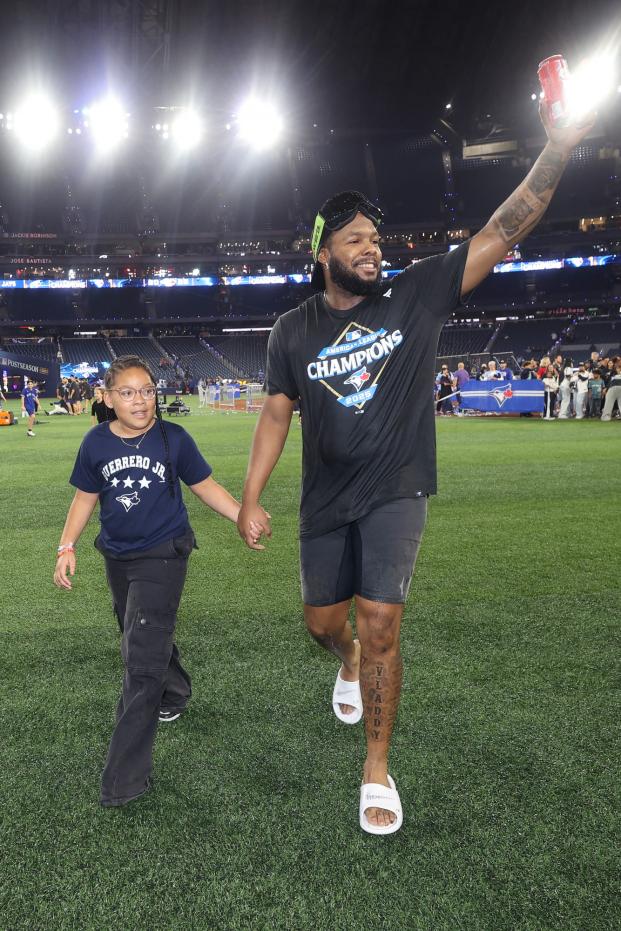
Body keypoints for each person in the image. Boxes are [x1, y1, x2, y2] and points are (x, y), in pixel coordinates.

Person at [237, 99, 593, 836]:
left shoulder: (416, 292)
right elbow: (276, 413)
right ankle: (346, 658)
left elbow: (506, 224)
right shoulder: (291, 330)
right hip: (325, 497)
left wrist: (555, 147)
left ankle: (375, 765)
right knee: (322, 623)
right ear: (322, 253)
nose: (372, 249)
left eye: (375, 238)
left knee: (383, 622)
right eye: (355, 241)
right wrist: (248, 496)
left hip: (398, 487)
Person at [53, 355, 251, 808]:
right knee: (138, 628)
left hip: (164, 554)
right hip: (117, 557)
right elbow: (85, 498)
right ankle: (176, 690)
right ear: (107, 397)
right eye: (127, 392)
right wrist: (67, 547)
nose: (140, 400)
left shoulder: (173, 438)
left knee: (140, 661)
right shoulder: (95, 444)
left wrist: (243, 515)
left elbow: (205, 486)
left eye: (146, 390)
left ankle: (123, 780)